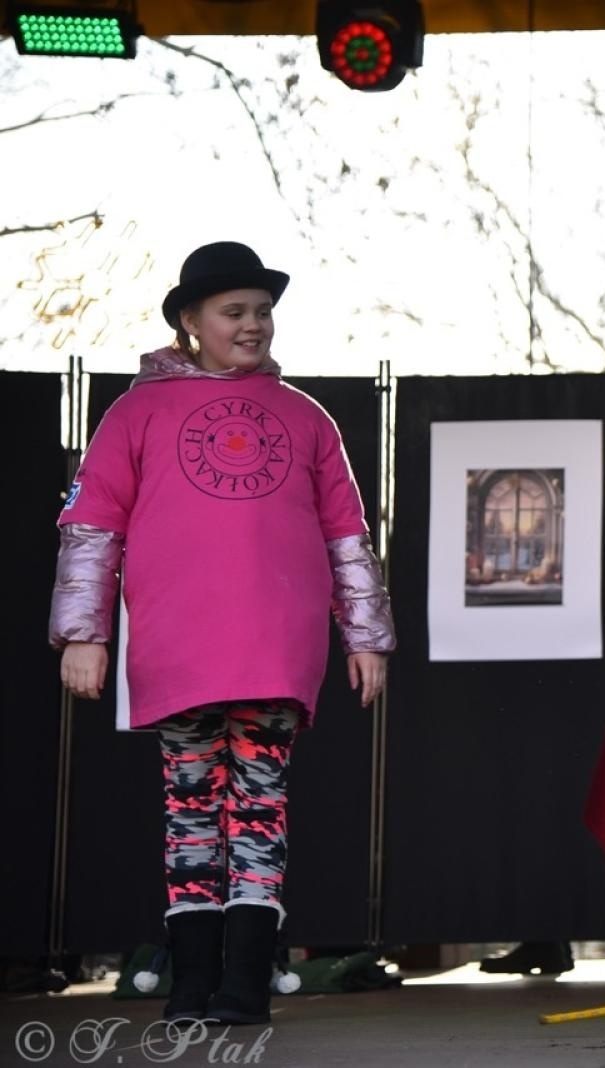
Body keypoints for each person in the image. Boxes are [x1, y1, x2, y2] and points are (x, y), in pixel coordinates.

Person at [48, 241, 396, 1024]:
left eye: (262, 312)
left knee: (260, 803)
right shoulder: (135, 412)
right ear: (189, 322)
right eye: (234, 312)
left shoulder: (307, 417)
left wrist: (367, 636)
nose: (253, 325)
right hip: (179, 646)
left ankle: (244, 984)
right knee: (191, 805)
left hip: (278, 643)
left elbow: (348, 534)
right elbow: (94, 524)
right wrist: (83, 632)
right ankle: (193, 983)